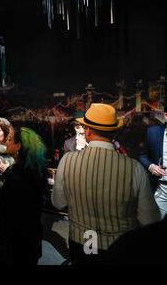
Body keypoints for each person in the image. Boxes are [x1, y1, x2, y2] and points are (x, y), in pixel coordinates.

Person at [52, 103, 160, 265]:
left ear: (87, 131)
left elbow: (58, 202)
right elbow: (150, 218)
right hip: (120, 247)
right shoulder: (134, 168)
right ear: (115, 132)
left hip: (83, 242)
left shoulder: (67, 161)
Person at [0, 126, 47, 265]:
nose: (5, 142)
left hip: (17, 241)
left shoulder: (18, 174)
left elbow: (9, 207)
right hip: (32, 237)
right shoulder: (36, 169)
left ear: (18, 146)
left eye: (9, 140)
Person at [139, 113, 167, 219]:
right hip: (161, 189)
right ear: (166, 115)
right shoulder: (153, 132)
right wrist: (151, 166)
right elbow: (142, 156)